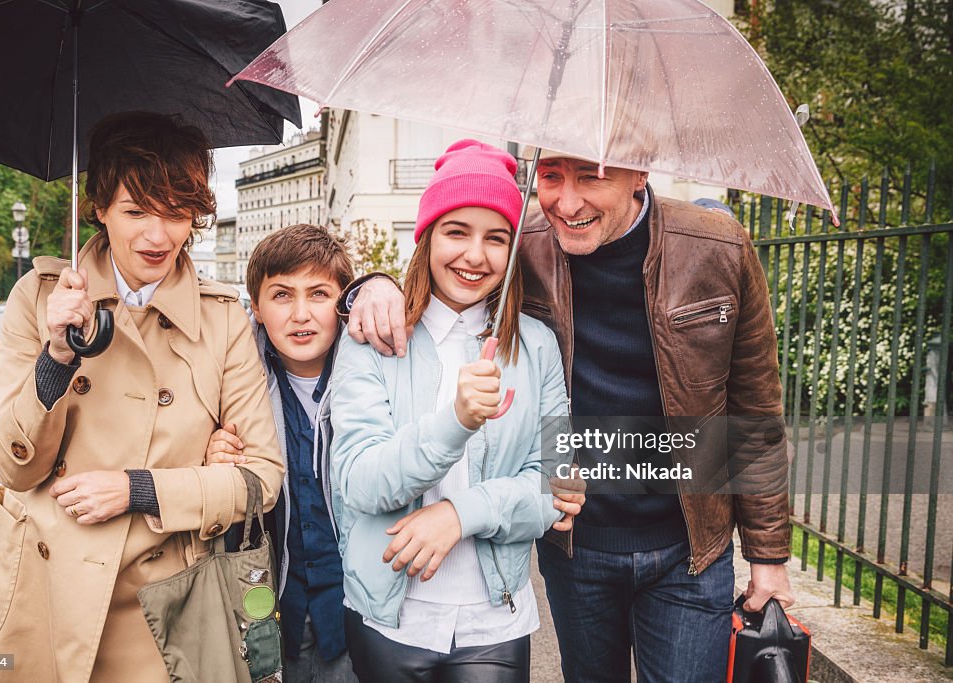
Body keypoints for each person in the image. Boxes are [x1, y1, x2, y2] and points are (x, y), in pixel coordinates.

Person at [343, 152, 794, 683]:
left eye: (591, 177)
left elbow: (754, 402)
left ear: (639, 174)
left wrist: (768, 556)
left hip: (688, 547)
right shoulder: (524, 240)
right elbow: (448, 267)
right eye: (552, 177)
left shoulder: (715, 245)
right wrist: (369, 286)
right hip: (578, 543)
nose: (568, 200)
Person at [0, 111, 284, 683]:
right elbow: (11, 466)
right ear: (100, 207)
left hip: (157, 612)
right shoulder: (37, 299)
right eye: (135, 212)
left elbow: (261, 479)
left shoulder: (224, 319)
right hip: (36, 600)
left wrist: (139, 488)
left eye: (176, 214)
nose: (157, 237)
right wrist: (57, 356)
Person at [330, 139, 581, 683]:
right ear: (427, 238)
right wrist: (456, 421)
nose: (475, 256)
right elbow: (359, 483)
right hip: (390, 618)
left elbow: (560, 484)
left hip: (495, 620)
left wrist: (460, 514)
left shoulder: (537, 346)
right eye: (456, 232)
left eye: (496, 238)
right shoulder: (370, 340)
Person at [205, 224, 359, 682]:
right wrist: (213, 458)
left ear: (344, 303)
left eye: (318, 294)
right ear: (255, 307)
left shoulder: (372, 379)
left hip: (355, 614)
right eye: (281, 295)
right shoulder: (233, 384)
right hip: (270, 610)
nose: (300, 314)